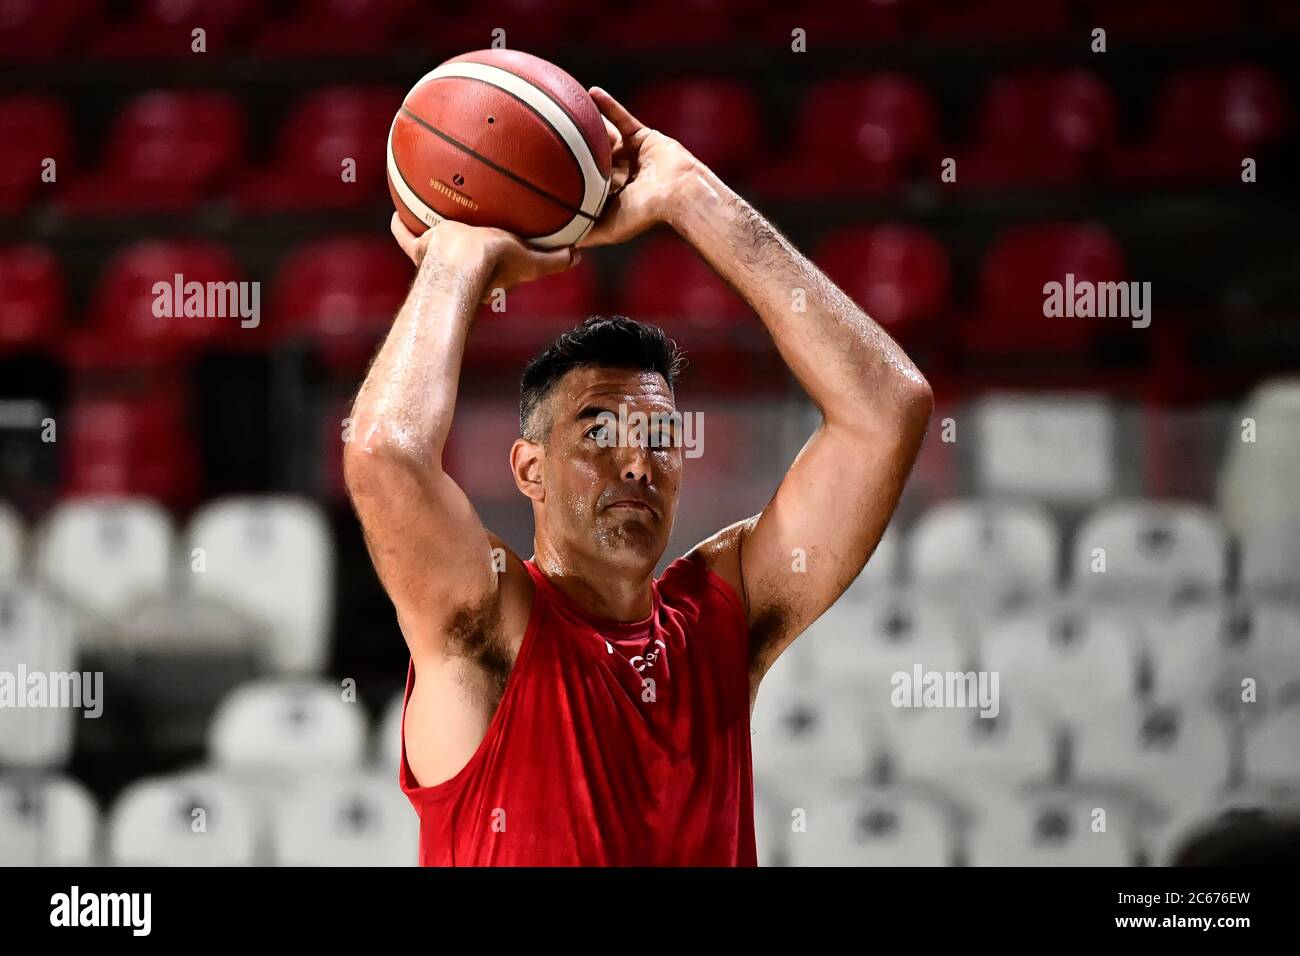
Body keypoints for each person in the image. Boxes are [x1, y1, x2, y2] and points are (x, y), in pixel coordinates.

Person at [344, 87, 933, 865]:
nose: (637, 460)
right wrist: (459, 256)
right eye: (599, 433)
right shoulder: (490, 624)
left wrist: (691, 197)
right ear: (530, 470)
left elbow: (888, 408)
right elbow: (386, 455)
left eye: (660, 435)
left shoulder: (721, 618)